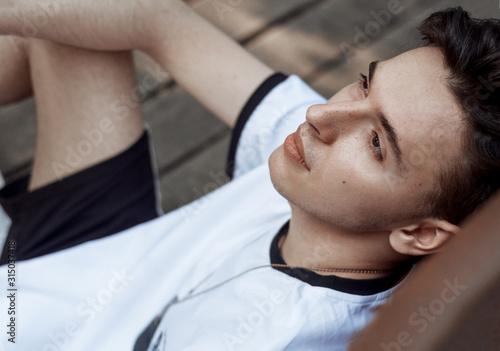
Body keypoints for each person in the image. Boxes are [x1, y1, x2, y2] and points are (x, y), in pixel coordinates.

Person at [0, 2, 498, 350]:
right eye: (364, 84)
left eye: (375, 143)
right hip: (110, 262)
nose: (320, 117)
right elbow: (158, 22)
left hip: (35, 326)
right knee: (69, 27)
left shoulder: (275, 335)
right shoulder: (326, 180)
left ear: (422, 233)